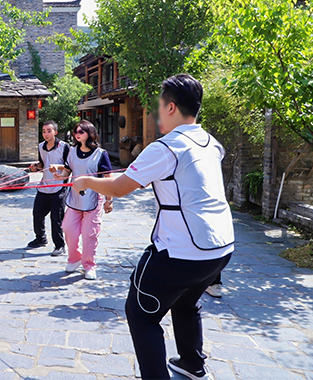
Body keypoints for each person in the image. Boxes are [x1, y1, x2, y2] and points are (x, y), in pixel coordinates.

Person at [73, 74, 234, 380]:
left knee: (140, 313)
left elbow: (118, 188)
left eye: (158, 106)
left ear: (171, 107)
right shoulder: (211, 143)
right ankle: (191, 364)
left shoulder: (166, 147)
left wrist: (84, 181)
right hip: (220, 248)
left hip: (181, 250)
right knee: (186, 301)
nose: (156, 113)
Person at [49, 121, 113, 280]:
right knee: (68, 228)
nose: (77, 134)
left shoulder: (100, 154)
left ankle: (89, 265)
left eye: (81, 131)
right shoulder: (72, 151)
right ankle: (75, 258)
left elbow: (108, 178)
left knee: (89, 235)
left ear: (89, 133)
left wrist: (109, 200)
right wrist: (59, 176)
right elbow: (68, 172)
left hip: (93, 199)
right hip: (74, 199)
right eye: (76, 131)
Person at [28, 120, 70, 256]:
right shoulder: (41, 146)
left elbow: (71, 166)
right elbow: (42, 164)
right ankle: (40, 238)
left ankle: (60, 245)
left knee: (56, 217)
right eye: (44, 131)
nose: (46, 134)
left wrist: (58, 168)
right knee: (37, 214)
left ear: (55, 132)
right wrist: (36, 167)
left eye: (49, 131)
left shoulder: (64, 147)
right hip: (44, 186)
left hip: (59, 187)